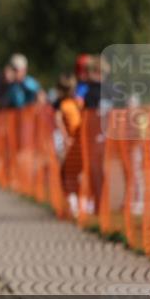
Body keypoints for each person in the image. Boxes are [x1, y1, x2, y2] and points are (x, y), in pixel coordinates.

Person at [54, 74, 83, 218]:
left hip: (69, 143)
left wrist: (65, 138)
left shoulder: (62, 105)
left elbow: (58, 121)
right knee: (75, 174)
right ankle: (76, 203)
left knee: (65, 174)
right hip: (79, 142)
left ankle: (73, 203)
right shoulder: (78, 103)